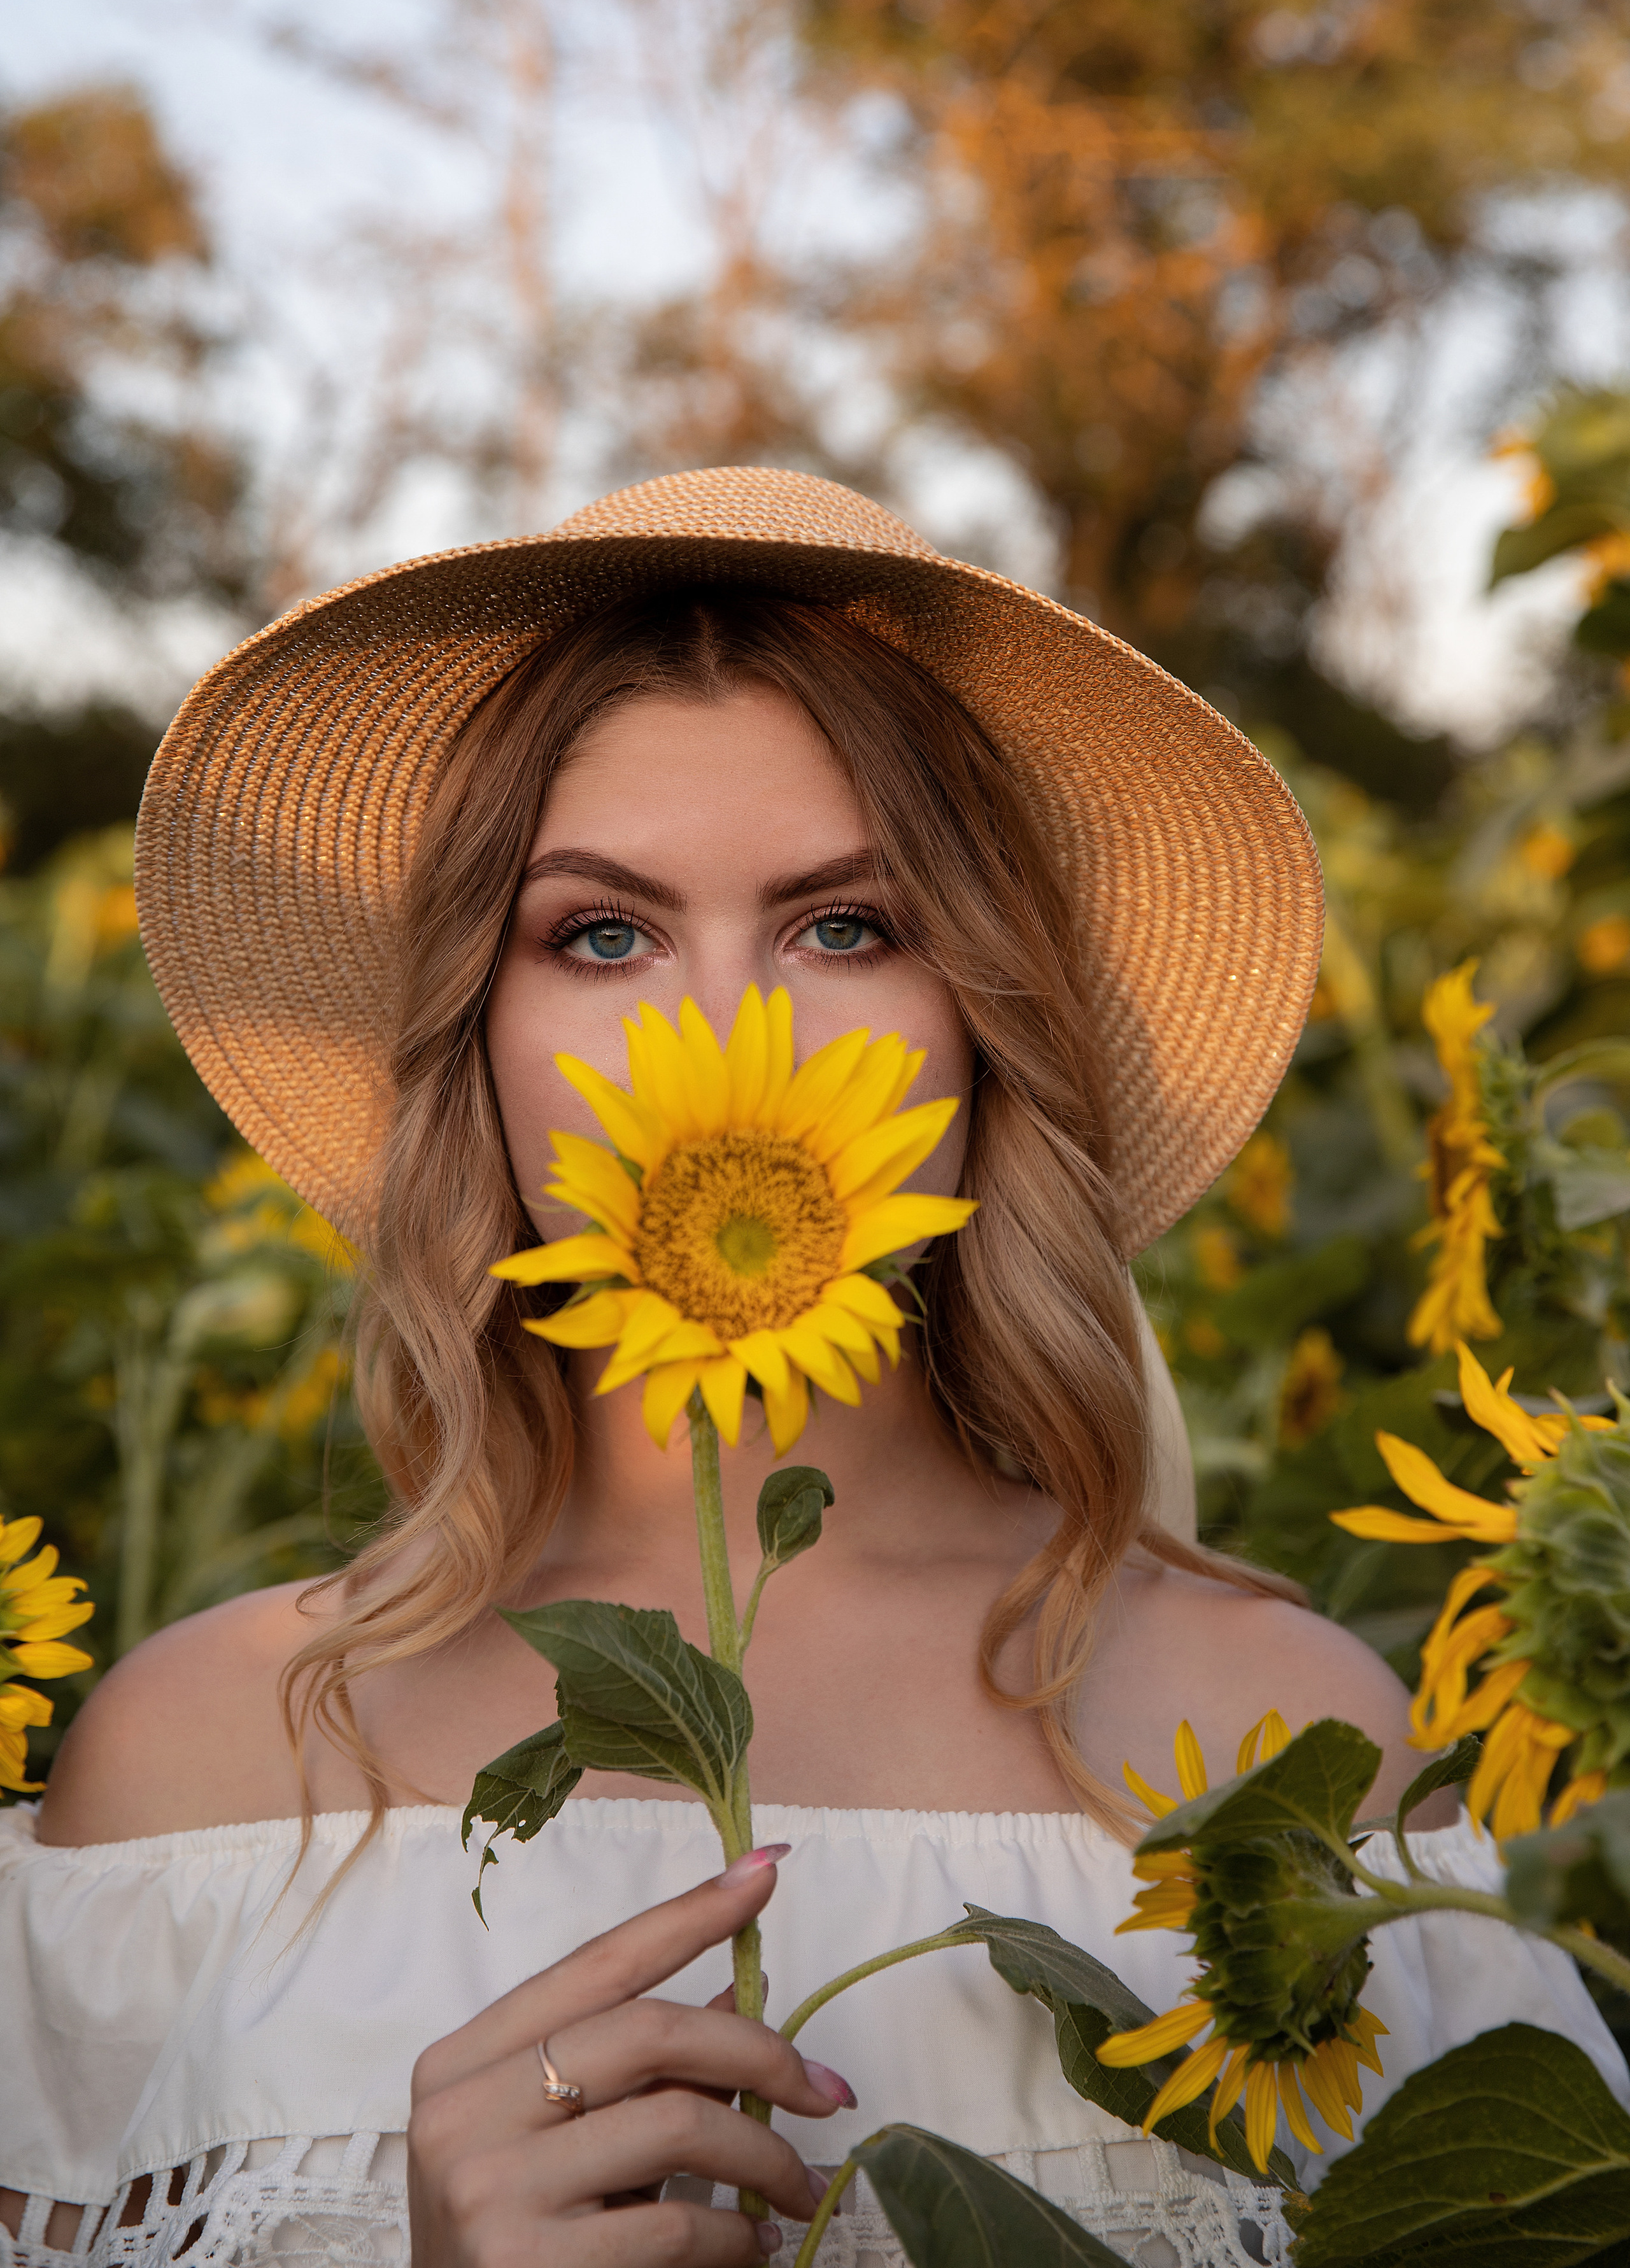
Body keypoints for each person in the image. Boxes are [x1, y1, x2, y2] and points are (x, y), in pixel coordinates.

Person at [2, 470, 1622, 2268]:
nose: (730, 1035)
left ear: (983, 1022)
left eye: (847, 927)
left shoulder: (1289, 1757)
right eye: (602, 935)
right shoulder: (206, 1767)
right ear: (477, 1035)